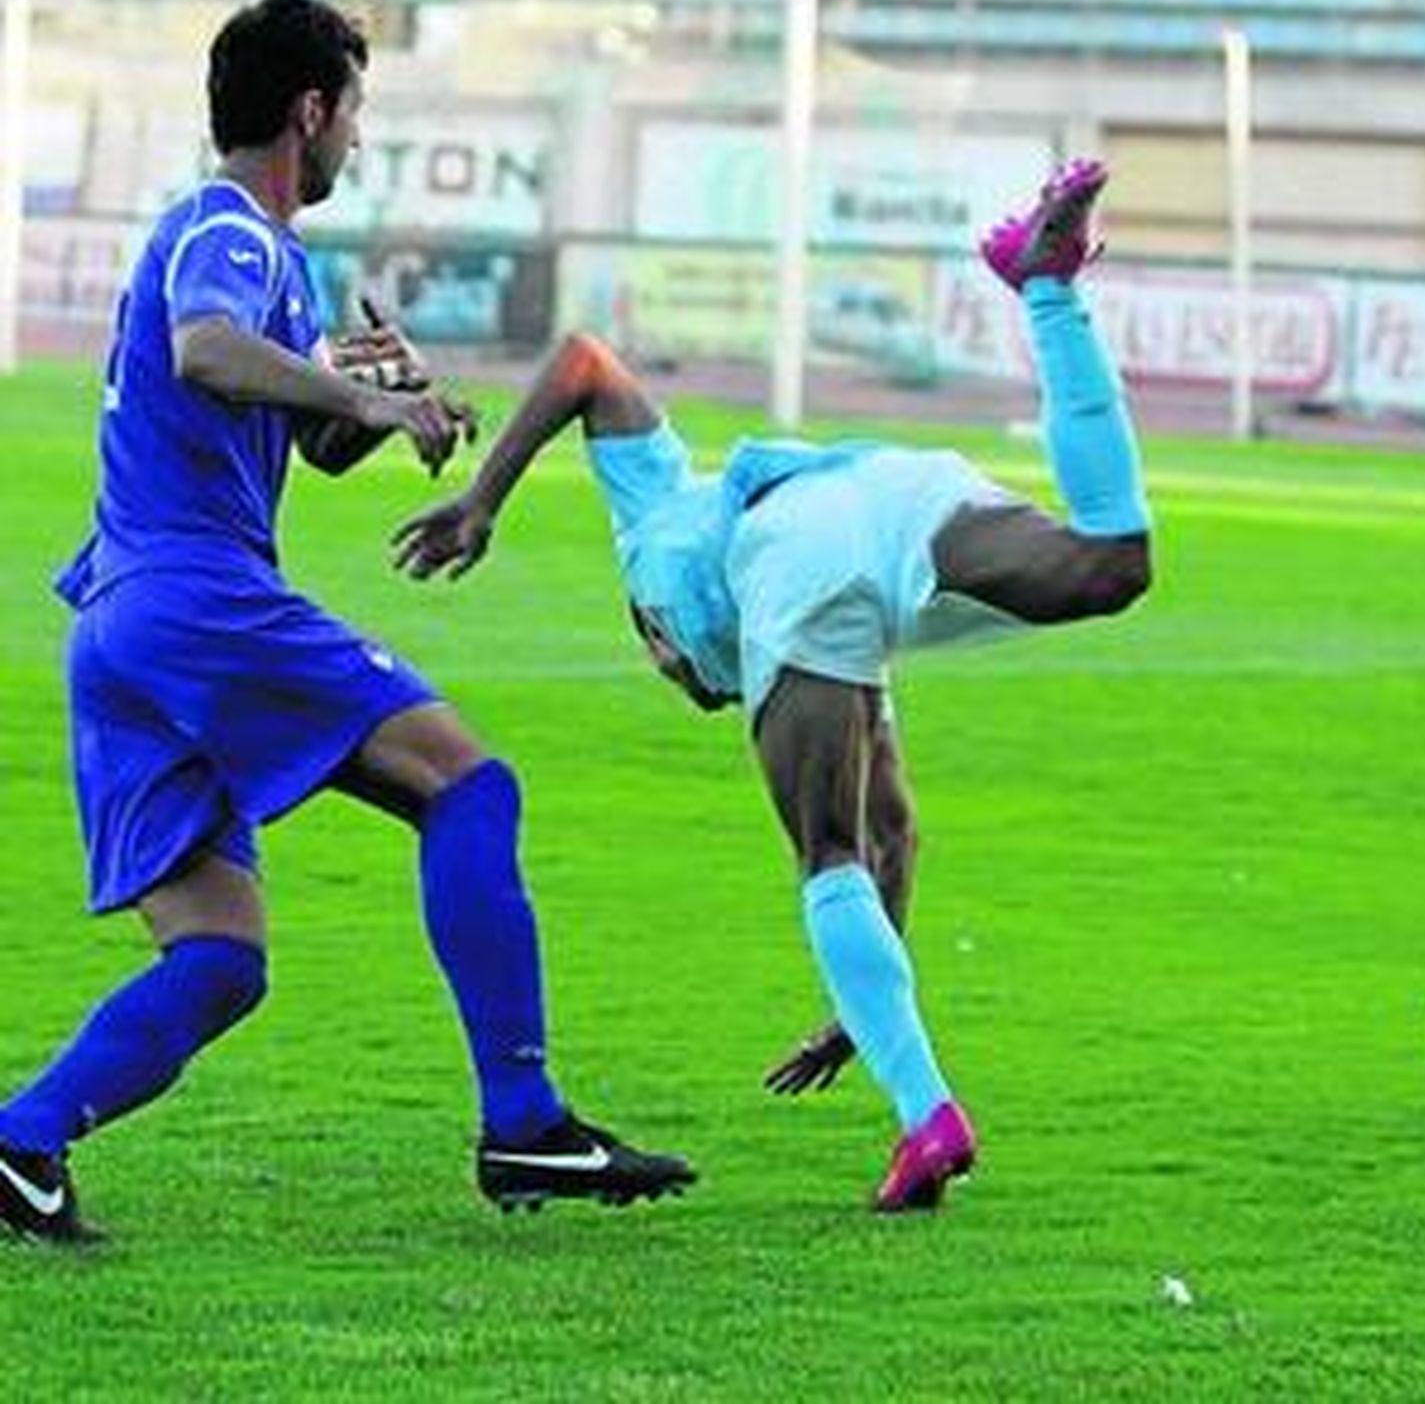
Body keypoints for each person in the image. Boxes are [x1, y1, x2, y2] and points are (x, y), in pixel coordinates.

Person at [0, 0, 694, 1245]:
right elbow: (207, 349)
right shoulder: (232, 229)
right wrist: (364, 405)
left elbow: (306, 438)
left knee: (219, 956)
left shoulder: (276, 263)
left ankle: (20, 1139)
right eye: (355, 114)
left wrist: (371, 392)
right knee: (468, 785)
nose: (357, 142)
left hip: (118, 625)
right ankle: (525, 1116)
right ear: (308, 111)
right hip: (195, 596)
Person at [394, 157, 1152, 1212]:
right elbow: (899, 833)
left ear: (653, 634)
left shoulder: (654, 520)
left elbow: (582, 359)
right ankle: (1047, 287)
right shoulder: (820, 658)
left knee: (820, 855)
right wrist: (865, 999)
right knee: (1111, 563)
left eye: (668, 665)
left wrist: (483, 501)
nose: (683, 682)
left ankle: (929, 1113)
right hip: (886, 492)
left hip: (794, 546)